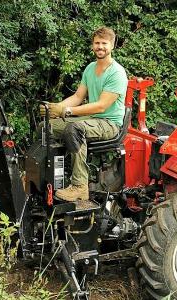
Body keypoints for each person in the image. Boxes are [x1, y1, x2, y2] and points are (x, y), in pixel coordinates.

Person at [39, 26, 127, 207]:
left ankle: (79, 186)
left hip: (109, 123)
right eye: (97, 43)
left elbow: (102, 106)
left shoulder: (117, 73)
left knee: (74, 129)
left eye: (104, 43)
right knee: (46, 125)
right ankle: (49, 178)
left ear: (112, 46)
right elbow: (78, 97)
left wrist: (65, 112)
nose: (100, 47)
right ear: (92, 45)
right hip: (91, 120)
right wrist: (55, 108)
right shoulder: (90, 68)